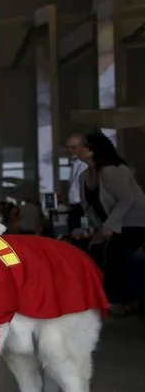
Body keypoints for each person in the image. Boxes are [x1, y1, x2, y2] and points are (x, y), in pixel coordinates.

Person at [78, 131, 145, 315]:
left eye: (82, 145)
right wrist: (97, 229)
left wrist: (109, 226)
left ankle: (118, 301)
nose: (78, 149)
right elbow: (89, 208)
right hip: (113, 224)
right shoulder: (84, 176)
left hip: (136, 221)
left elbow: (127, 199)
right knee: (93, 249)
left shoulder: (113, 171)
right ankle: (101, 296)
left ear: (92, 150)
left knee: (117, 250)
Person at [66, 133, 89, 233]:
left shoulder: (86, 165)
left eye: (73, 147)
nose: (70, 150)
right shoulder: (74, 164)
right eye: (68, 148)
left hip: (83, 208)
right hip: (74, 207)